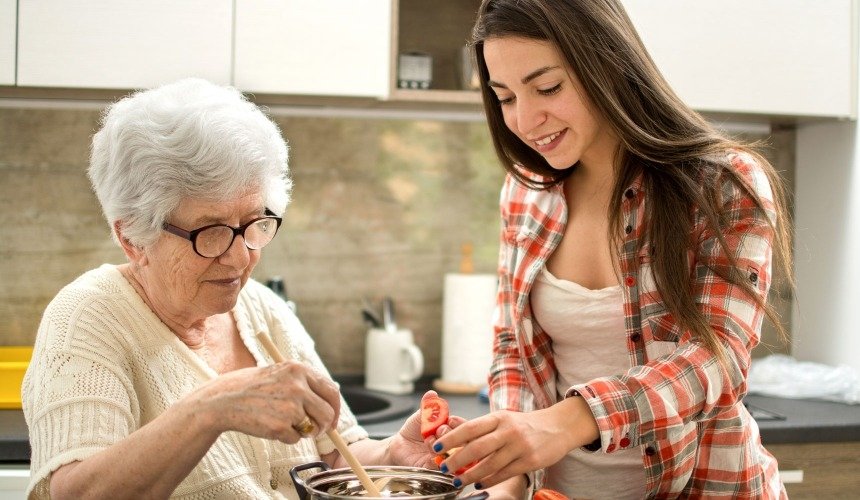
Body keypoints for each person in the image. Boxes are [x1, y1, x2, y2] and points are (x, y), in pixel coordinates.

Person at [432, 0, 794, 498]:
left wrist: (566, 422)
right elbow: (512, 348)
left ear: (605, 61)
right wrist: (509, 476)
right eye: (504, 97)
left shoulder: (722, 184)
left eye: (547, 88)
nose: (524, 119)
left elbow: (718, 358)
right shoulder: (526, 193)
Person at [22, 78, 445, 499]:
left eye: (253, 223)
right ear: (133, 237)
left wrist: (394, 453)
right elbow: (76, 495)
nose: (241, 258)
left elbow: (336, 454)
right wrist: (212, 407)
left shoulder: (262, 307)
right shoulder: (88, 318)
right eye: (210, 232)